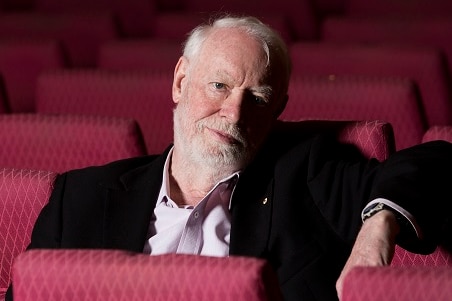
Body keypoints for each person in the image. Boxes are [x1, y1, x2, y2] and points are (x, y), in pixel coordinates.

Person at [6, 14, 452, 301]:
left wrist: (379, 225)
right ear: (181, 81)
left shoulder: (308, 175)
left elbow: (440, 162)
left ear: (278, 110)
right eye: (218, 86)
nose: (234, 113)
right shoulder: (79, 197)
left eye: (257, 98)